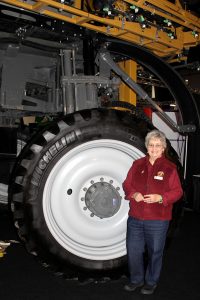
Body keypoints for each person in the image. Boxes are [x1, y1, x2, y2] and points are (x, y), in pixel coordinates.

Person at [122, 129, 183, 295]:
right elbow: (127, 184)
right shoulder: (137, 164)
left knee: (155, 252)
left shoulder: (170, 168)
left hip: (158, 220)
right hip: (135, 218)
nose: (154, 148)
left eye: (158, 145)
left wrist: (160, 198)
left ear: (163, 148)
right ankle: (136, 280)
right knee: (133, 250)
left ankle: (151, 282)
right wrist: (134, 193)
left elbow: (177, 192)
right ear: (146, 146)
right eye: (151, 145)